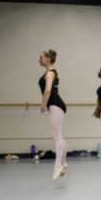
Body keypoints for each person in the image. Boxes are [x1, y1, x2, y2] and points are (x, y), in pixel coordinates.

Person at [38, 49, 68, 180]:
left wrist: (43, 104)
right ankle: (63, 163)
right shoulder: (52, 72)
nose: (39, 60)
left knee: (57, 136)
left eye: (41, 57)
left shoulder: (50, 73)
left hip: (55, 104)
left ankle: (57, 166)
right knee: (60, 135)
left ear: (48, 59)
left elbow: (48, 89)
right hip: (57, 104)